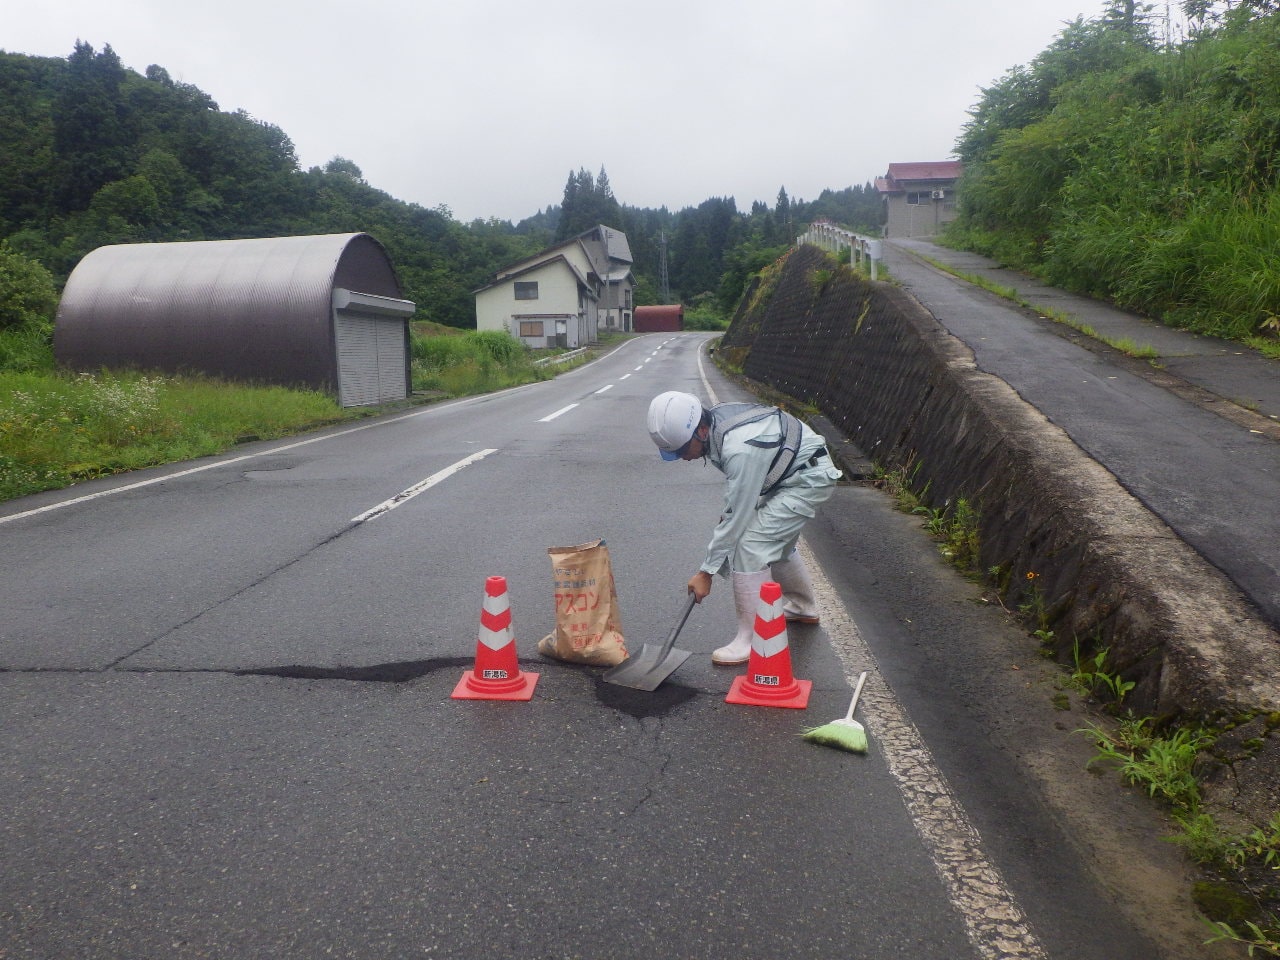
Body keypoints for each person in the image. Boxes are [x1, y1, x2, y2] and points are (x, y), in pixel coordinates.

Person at [646, 390, 843, 664]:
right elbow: (737, 503)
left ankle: (750, 641)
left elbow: (738, 515)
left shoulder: (739, 447)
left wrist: (706, 572)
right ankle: (802, 606)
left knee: (751, 545)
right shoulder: (716, 425)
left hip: (806, 478)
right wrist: (730, 517)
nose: (681, 457)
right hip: (787, 473)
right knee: (773, 539)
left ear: (701, 430)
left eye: (681, 449)